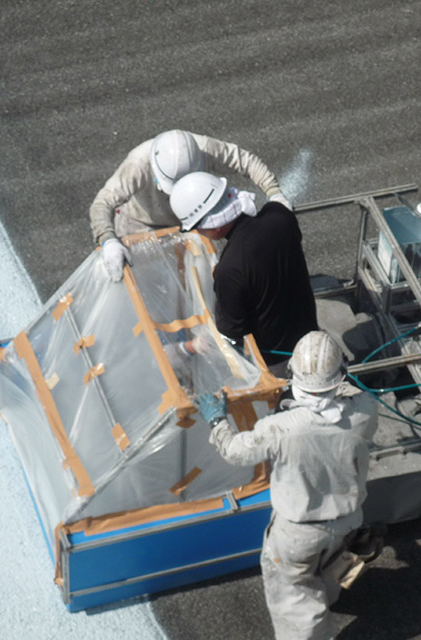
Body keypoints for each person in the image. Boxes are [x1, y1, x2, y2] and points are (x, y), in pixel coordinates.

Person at [194, 330, 379, 640]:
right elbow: (342, 408)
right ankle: (329, 595)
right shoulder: (365, 410)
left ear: (293, 375)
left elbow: (235, 451)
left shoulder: (280, 428)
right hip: (346, 521)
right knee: (329, 566)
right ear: (340, 375)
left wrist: (217, 422)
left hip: (298, 532)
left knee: (295, 597)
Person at [89, 129, 292, 281]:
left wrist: (275, 194)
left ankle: (200, 334)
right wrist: (108, 240)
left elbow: (246, 161)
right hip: (140, 223)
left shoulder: (205, 149)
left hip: (191, 222)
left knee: (201, 278)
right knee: (143, 284)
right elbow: (101, 203)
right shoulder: (138, 164)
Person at [169, 171, 317, 375]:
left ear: (215, 227)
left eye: (197, 227)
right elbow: (279, 210)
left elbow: (232, 333)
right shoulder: (279, 217)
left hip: (277, 362)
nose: (198, 232)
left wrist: (190, 347)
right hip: (313, 340)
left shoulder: (229, 270)